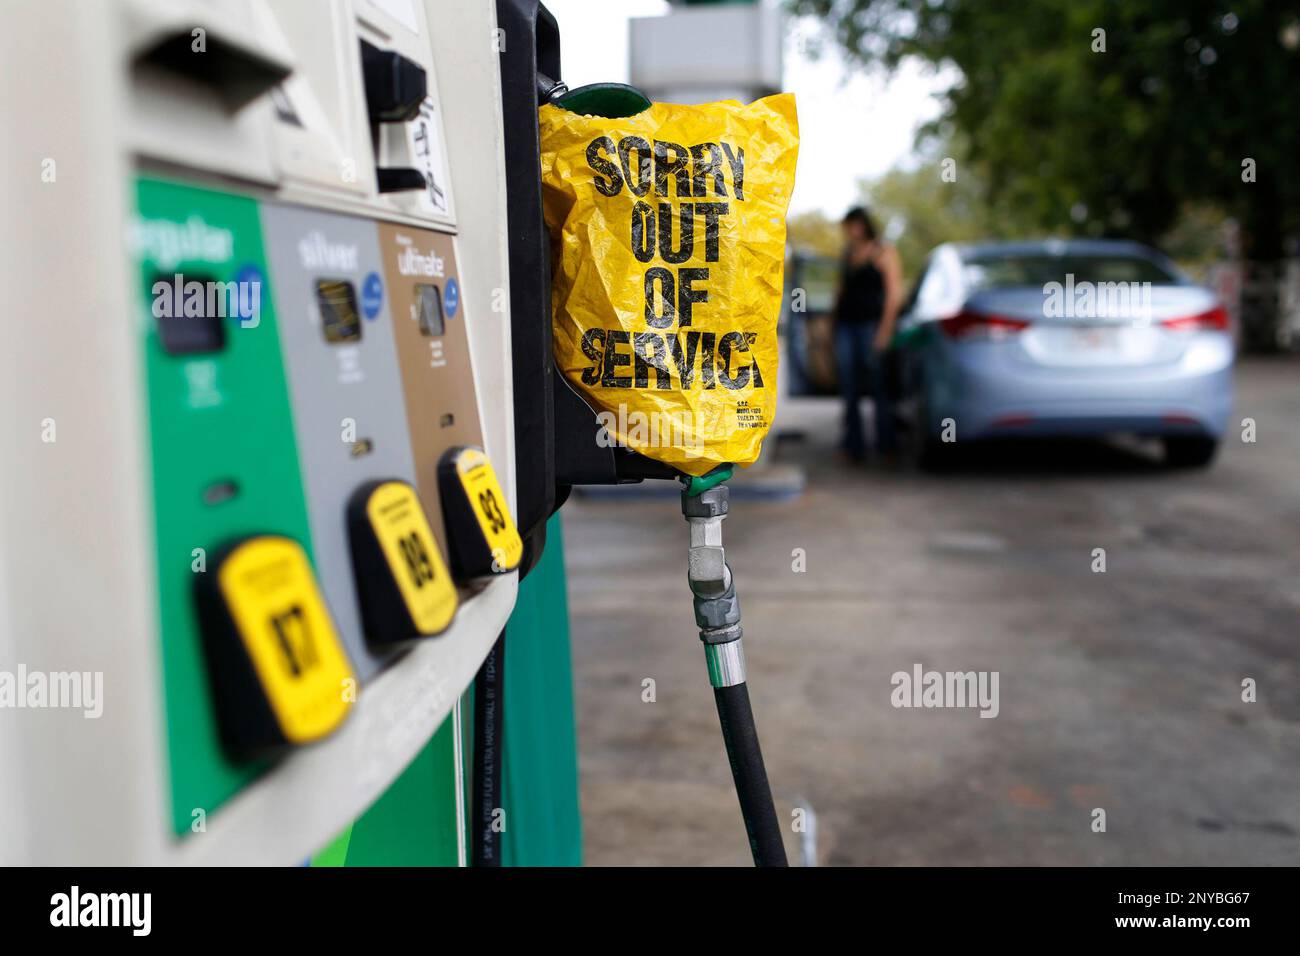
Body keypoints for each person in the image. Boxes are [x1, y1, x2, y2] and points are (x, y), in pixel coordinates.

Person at [833, 206, 903, 462]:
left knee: (878, 385)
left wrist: (884, 331)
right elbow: (839, 291)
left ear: (864, 225)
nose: (852, 230)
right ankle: (853, 446)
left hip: (871, 327)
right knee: (849, 387)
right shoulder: (848, 254)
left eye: (855, 224)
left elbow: (895, 294)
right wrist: (831, 326)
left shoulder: (884, 251)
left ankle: (887, 444)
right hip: (846, 327)